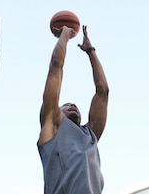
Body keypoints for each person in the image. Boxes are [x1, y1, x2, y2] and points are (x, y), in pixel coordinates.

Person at [38, 25, 110, 194]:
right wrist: (64, 34)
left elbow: (103, 91)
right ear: (57, 109)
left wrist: (90, 50)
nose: (73, 105)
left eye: (75, 105)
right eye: (67, 104)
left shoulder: (90, 135)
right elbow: (56, 66)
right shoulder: (51, 126)